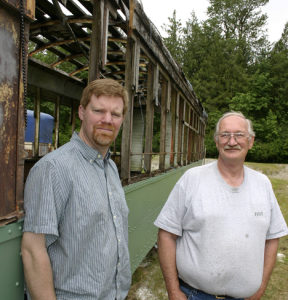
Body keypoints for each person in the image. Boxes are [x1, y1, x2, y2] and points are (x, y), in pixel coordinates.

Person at [154, 111, 288, 300]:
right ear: (216, 141)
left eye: (239, 135)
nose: (231, 141)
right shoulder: (192, 179)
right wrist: (174, 291)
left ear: (251, 141)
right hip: (194, 295)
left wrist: (259, 289)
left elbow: (273, 238)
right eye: (225, 135)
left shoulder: (263, 184)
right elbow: (166, 234)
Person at [21, 78, 131, 300]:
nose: (107, 120)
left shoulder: (109, 166)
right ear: (82, 112)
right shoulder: (53, 169)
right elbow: (33, 252)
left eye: (115, 114)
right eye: (98, 111)